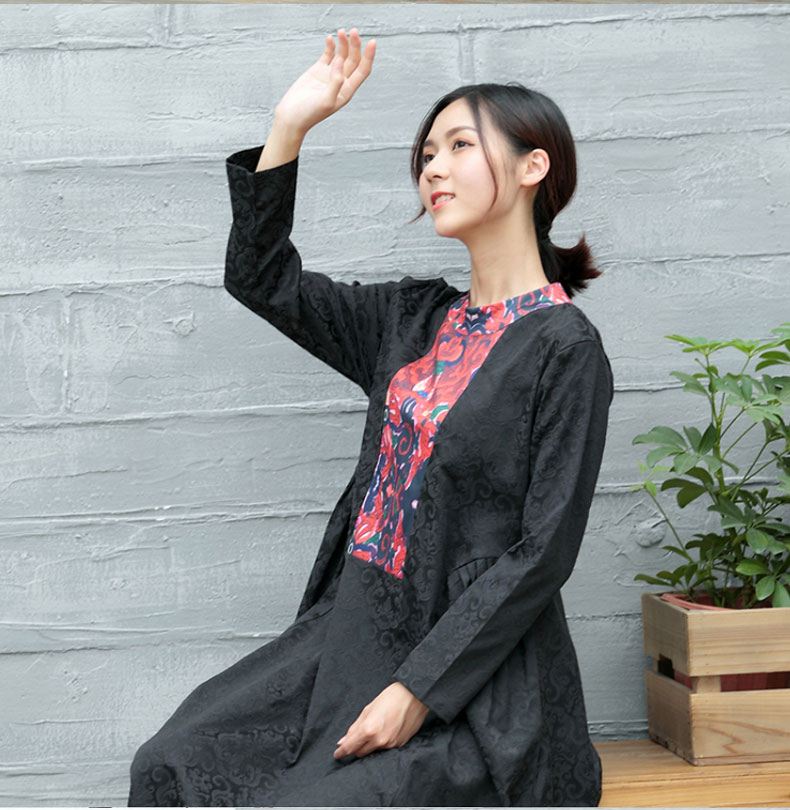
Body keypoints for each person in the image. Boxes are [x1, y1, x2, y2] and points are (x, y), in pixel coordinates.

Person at [128, 26, 613, 807]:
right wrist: (289, 126)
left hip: (473, 682)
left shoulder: (565, 347)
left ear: (533, 166)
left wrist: (418, 692)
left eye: (459, 146)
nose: (433, 168)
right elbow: (262, 280)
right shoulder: (409, 320)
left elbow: (543, 551)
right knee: (168, 762)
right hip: (348, 634)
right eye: (426, 155)